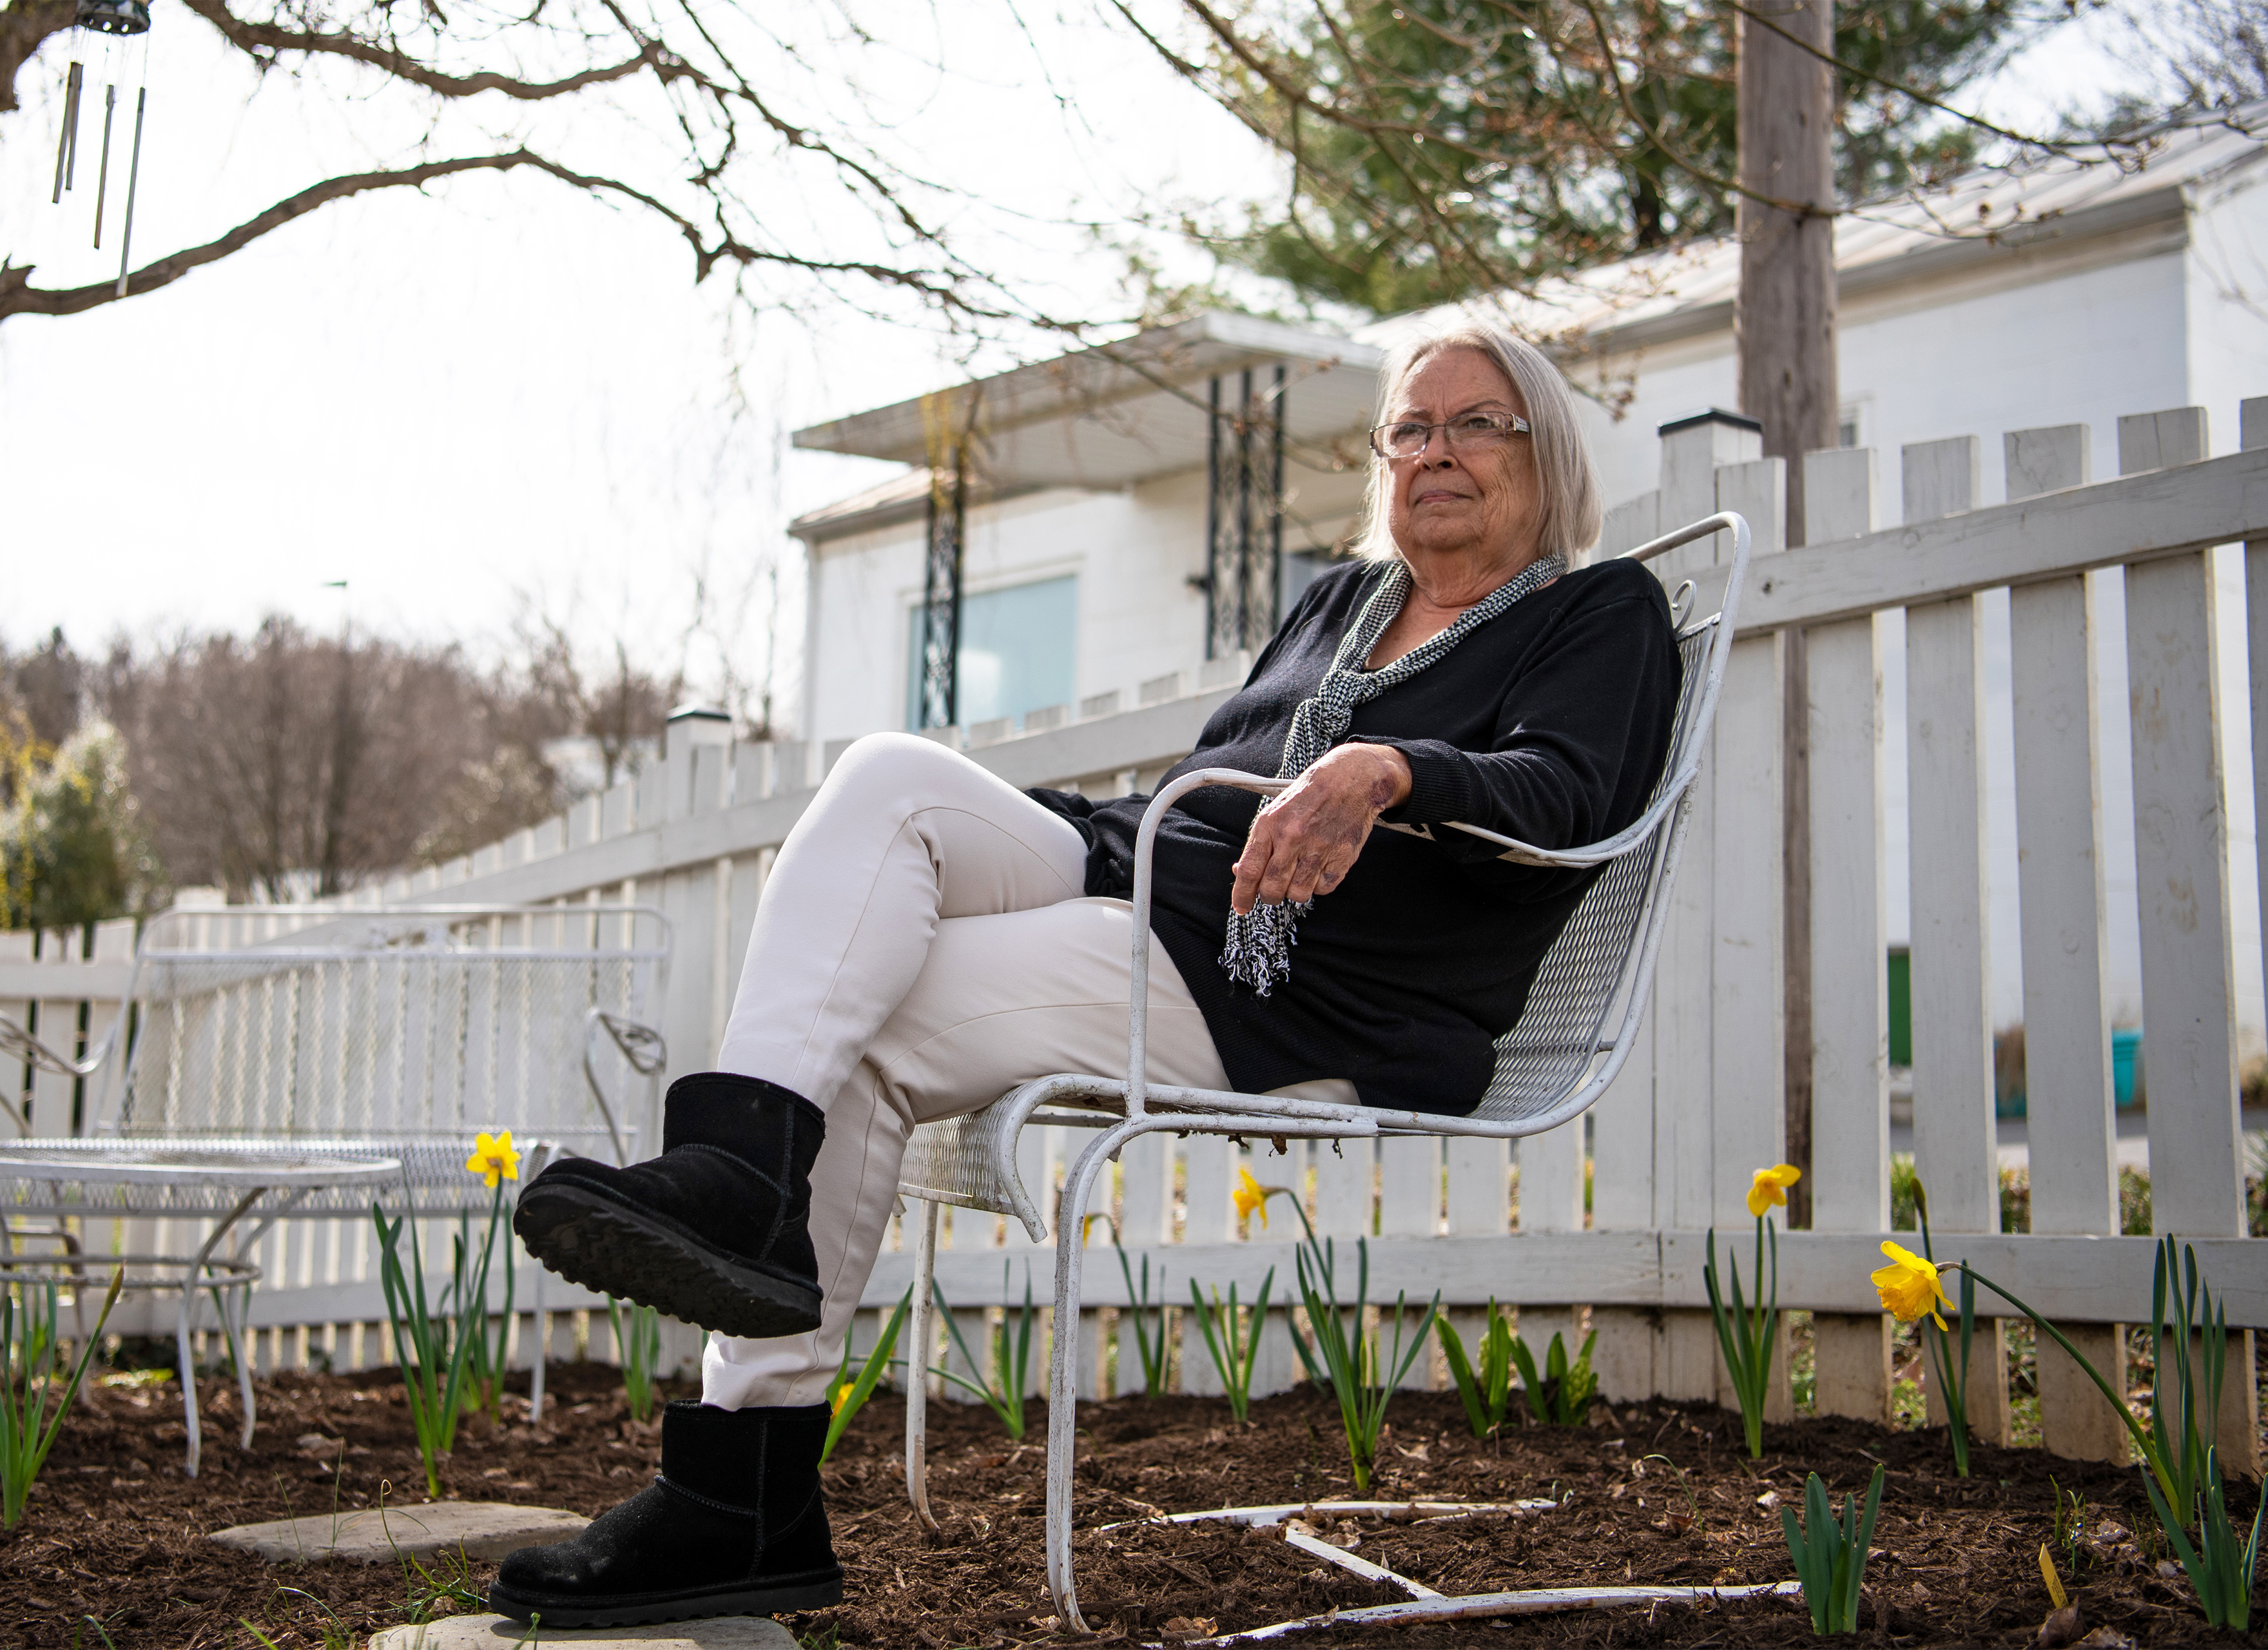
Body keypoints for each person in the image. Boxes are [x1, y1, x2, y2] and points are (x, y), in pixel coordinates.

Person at [490, 321, 1682, 1628]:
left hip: (1299, 986)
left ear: (1545, 448)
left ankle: (742, 1478)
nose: (1435, 450)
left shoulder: (1596, 611)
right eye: (1411, 428)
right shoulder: (1337, 605)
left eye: (1475, 423)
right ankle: (738, 1190)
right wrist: (1085, 827)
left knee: (866, 1028)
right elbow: (1212, 784)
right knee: (890, 779)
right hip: (1150, 882)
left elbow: (1568, 798)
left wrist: (1389, 768)